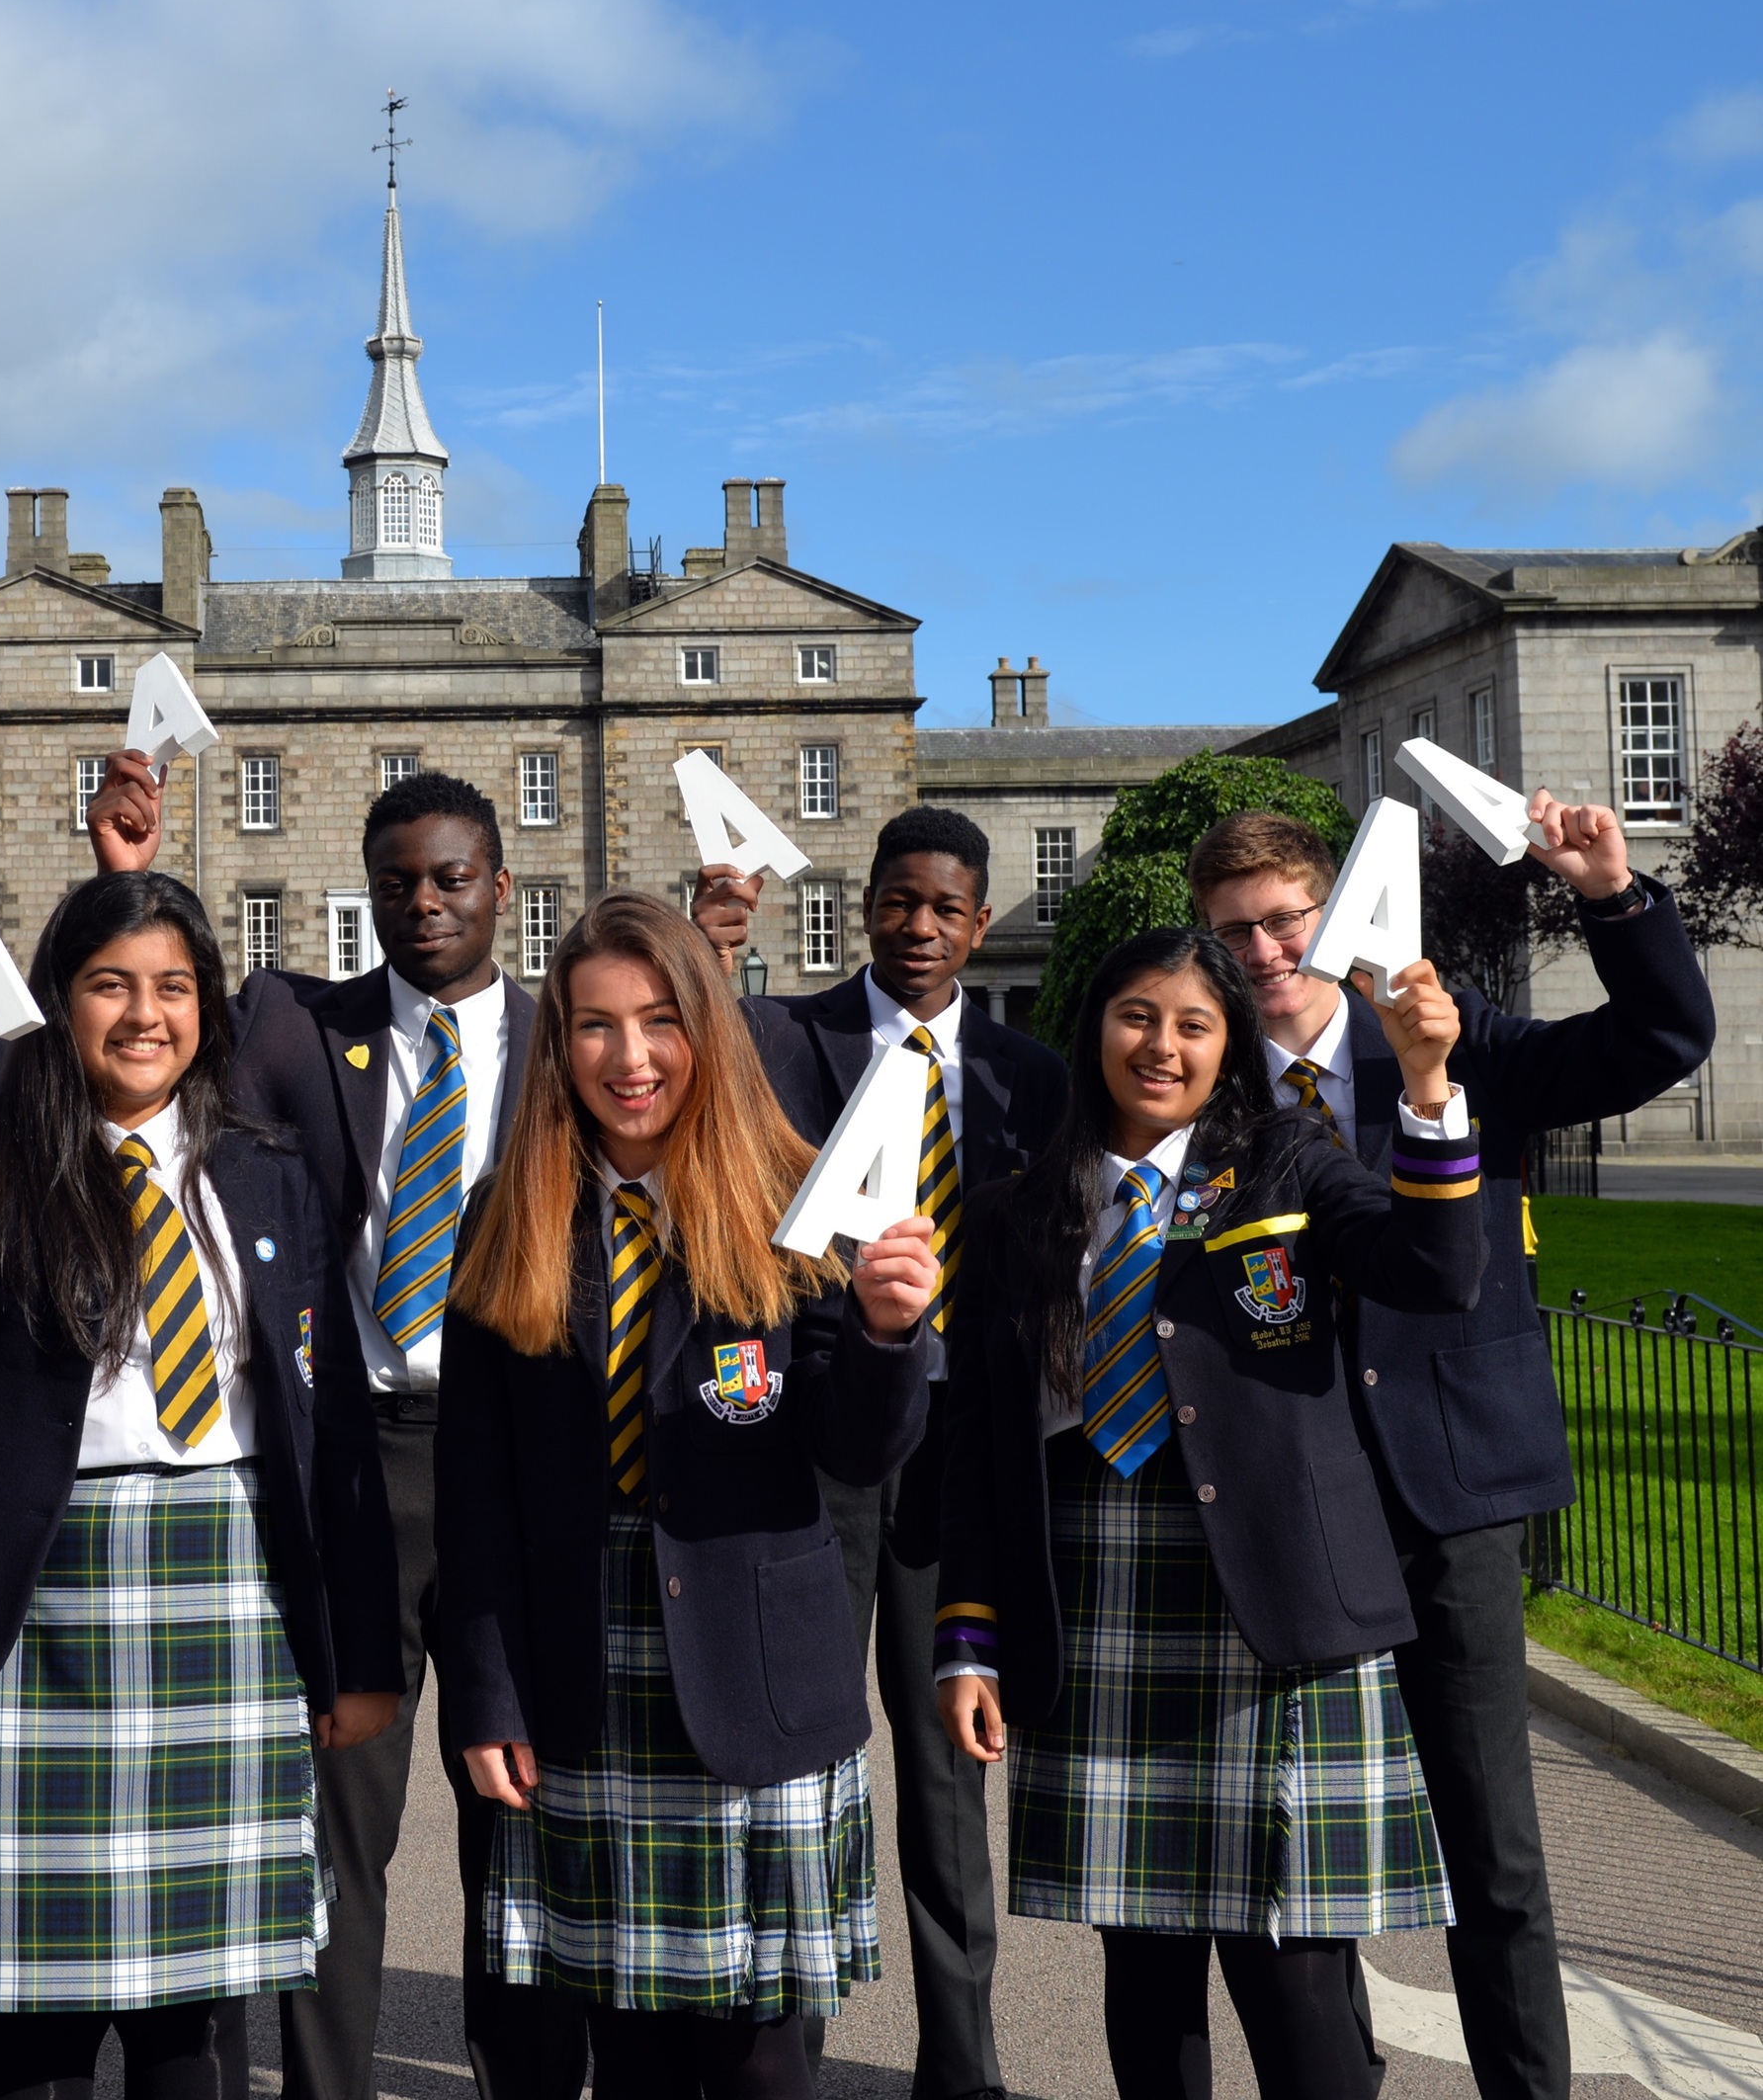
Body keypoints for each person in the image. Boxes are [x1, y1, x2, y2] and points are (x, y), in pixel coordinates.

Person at [0, 869, 404, 2100]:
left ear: (208, 1009)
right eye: (109, 985)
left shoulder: (268, 1169)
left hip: (221, 1604)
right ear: (58, 1003)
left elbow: (327, 1437)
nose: (143, 1015)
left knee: (193, 2028)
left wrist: (361, 1653)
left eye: (173, 987)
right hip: (34, 1604)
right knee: (30, 2028)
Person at [1185, 803, 1716, 2099]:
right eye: (1231, 931)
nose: (1260, 950)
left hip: (1448, 1490)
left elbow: (1658, 1037)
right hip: (1287, 1506)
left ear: (1325, 911)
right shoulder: (1203, 1086)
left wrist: (1605, 892)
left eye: (1280, 920)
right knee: (1290, 1845)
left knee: (1493, 1856)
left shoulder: (1443, 1033)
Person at [87, 755, 585, 2100]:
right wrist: (125, 880)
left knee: (516, 1810)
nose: (421, 902)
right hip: (354, 1466)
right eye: (394, 884)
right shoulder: (292, 1026)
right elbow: (132, 1026)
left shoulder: (565, 1048)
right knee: (335, 1831)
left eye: (448, 879)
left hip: (515, 1468)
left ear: (499, 887)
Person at [934, 927, 1485, 2097]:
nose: (1161, 1045)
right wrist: (967, 1637)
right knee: (1141, 1969)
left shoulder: (1288, 1161)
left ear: (1230, 1042)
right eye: (1136, 1015)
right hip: (1094, 1598)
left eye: (1194, 1024)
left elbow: (1431, 1273)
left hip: (1272, 1607)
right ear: (1092, 1027)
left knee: (1292, 1977)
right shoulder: (1017, 1213)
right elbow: (977, 1454)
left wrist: (1430, 1089)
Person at [437, 889, 942, 2100]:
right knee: (628, 2050)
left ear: (706, 1029)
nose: (629, 1058)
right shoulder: (505, 1214)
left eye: (659, 1021)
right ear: (556, 1043)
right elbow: (475, 1489)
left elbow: (858, 1455)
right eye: (594, 1026)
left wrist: (884, 1335)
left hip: (751, 1665)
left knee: (760, 2058)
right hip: (577, 1663)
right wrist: (486, 1692)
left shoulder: (797, 1203)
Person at [695, 803, 1065, 2100]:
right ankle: (777, 2057)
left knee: (944, 1766)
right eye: (894, 902)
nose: (916, 928)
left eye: (942, 909)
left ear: (977, 921)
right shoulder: (780, 1039)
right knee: (801, 1747)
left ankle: (959, 2070)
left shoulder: (1030, 1080)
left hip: (959, 1453)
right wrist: (708, 939)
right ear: (866, 908)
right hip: (819, 1437)